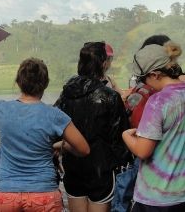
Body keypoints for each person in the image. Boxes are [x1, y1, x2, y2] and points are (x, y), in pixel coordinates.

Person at [0, 58, 90, 212]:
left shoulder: (2, 109)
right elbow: (84, 149)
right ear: (45, 84)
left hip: (6, 193)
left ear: (18, 82)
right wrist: (61, 145)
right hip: (43, 193)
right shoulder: (54, 115)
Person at [122, 44, 185, 211]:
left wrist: (126, 135)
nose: (144, 84)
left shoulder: (158, 101)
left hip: (159, 197)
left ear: (154, 75)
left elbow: (143, 151)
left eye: (143, 79)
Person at [55, 42, 131, 212]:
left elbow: (54, 124)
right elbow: (120, 136)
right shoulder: (110, 96)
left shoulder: (66, 93)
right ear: (103, 63)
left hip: (73, 163)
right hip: (101, 168)